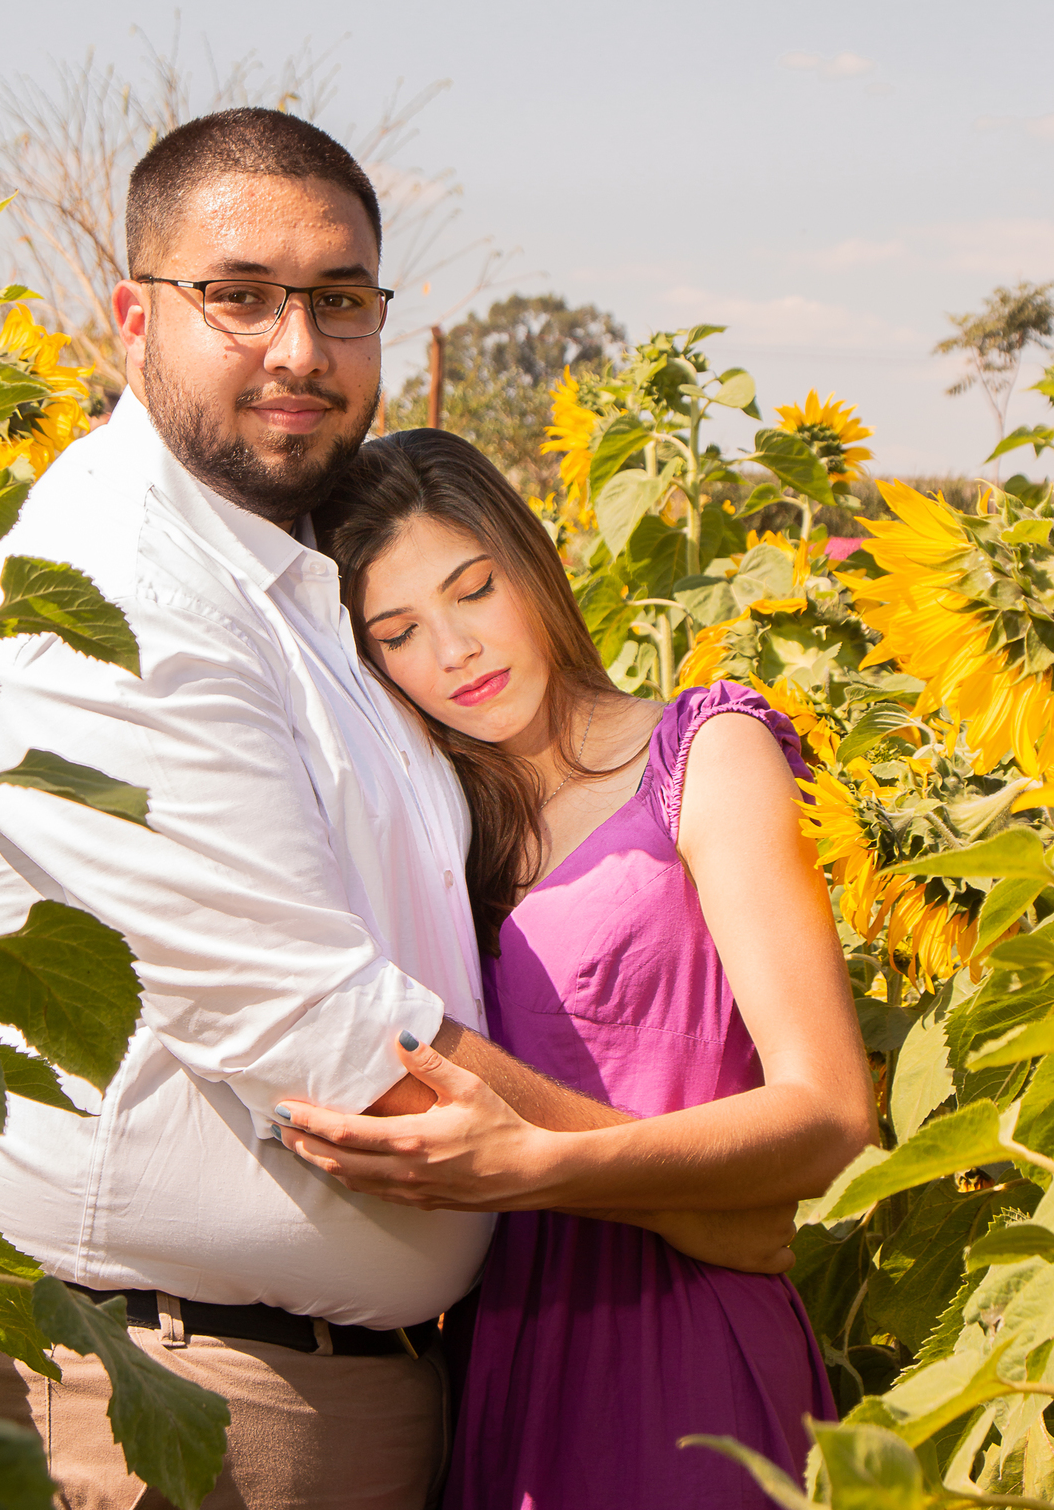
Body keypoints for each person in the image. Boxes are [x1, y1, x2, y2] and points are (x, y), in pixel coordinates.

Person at [0, 110, 797, 1510]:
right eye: (239, 296)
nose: (299, 349)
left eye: (338, 301)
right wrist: (693, 1201)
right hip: (167, 1393)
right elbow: (325, 1037)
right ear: (134, 319)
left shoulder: (300, 579)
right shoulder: (120, 595)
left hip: (363, 1387)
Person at [271, 428, 878, 1509]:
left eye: (474, 590)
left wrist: (542, 1166)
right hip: (499, 1356)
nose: (456, 651)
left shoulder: (702, 755)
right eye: (399, 633)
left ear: (533, 564)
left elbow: (830, 1113)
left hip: (688, 1350)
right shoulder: (432, 835)